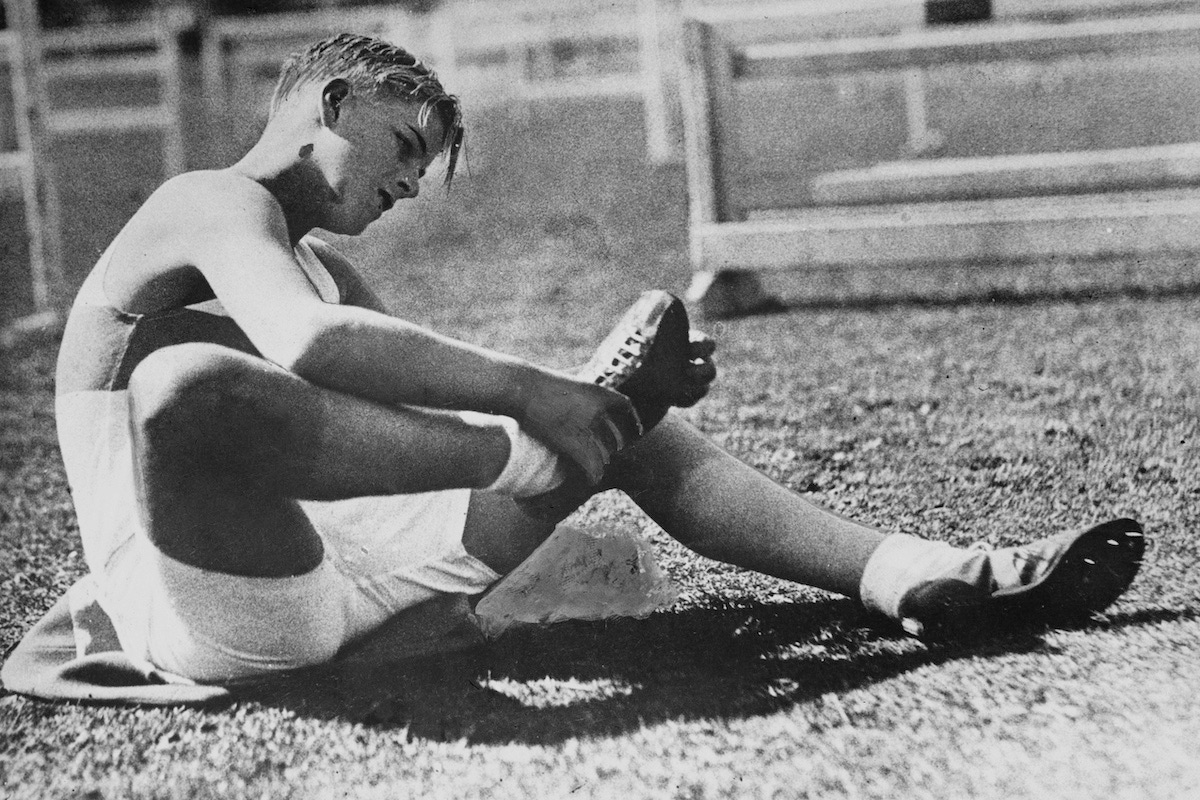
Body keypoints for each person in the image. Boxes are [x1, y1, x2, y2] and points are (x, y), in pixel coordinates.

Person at [48, 33, 1144, 684]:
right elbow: (309, 347)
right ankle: (532, 452)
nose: (405, 188)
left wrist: (576, 407)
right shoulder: (209, 202)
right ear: (330, 105)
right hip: (212, 598)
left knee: (629, 429)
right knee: (183, 389)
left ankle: (915, 569)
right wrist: (532, 411)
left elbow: (379, 373)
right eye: (400, 150)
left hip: (363, 582)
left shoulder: (320, 258)